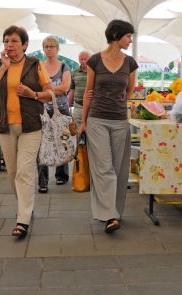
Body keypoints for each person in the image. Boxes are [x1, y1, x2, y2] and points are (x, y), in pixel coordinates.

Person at [0, 25, 53, 239]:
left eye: (14, 41)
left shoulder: (35, 64)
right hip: (5, 126)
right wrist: (3, 68)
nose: (9, 45)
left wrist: (33, 94)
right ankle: (25, 207)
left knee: (24, 171)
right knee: (12, 173)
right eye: (6, 41)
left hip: (31, 126)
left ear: (24, 44)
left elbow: (50, 94)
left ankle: (22, 220)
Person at [80, 19, 138, 233]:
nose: (130, 40)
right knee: (104, 169)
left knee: (119, 169)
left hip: (119, 121)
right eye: (128, 36)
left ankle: (114, 211)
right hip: (97, 120)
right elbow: (88, 92)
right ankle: (110, 215)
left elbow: (129, 91)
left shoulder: (130, 63)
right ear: (116, 35)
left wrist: (118, 104)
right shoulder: (95, 61)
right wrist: (84, 122)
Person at [37, 36, 72, 193]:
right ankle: (43, 181)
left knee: (62, 142)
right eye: (46, 46)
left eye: (52, 46)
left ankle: (61, 175)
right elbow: (37, 88)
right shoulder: (39, 67)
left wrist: (47, 90)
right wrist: (50, 90)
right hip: (43, 110)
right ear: (43, 49)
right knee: (42, 145)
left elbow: (65, 87)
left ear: (57, 49)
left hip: (62, 109)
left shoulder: (64, 66)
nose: (49, 49)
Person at [68, 50, 91, 130]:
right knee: (76, 133)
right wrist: (68, 107)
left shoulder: (95, 73)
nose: (83, 61)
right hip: (78, 107)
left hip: (92, 108)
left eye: (85, 59)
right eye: (81, 59)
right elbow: (71, 91)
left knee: (91, 133)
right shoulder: (74, 73)